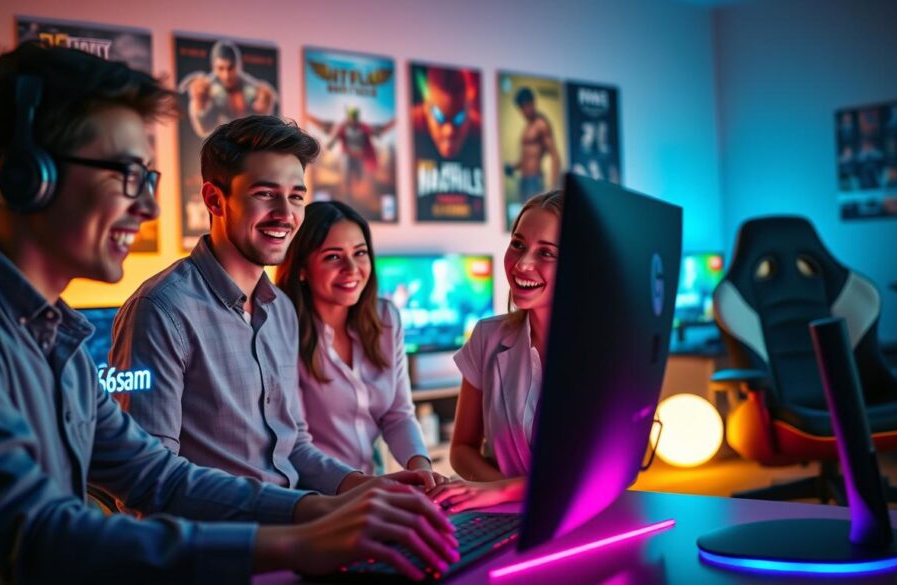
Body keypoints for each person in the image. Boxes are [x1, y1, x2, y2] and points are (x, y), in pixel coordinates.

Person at [0, 43, 456, 584]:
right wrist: (303, 540)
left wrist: (337, 503)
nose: (146, 206)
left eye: (148, 178)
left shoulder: (52, 329)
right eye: (126, 174)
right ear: (26, 175)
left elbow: (153, 475)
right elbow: (37, 538)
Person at [112, 115, 430, 496]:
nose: (286, 213)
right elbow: (149, 481)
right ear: (215, 199)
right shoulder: (161, 310)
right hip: (226, 547)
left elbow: (293, 445)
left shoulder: (279, 309)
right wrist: (304, 512)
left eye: (296, 196)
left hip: (298, 529)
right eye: (265, 194)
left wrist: (367, 487)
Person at [275, 201, 439, 480]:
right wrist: (364, 488)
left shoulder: (386, 318)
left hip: (370, 483)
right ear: (302, 269)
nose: (352, 269)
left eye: (360, 253)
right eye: (333, 257)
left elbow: (397, 414)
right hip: (313, 497)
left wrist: (423, 472)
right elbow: (295, 445)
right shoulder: (281, 330)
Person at [428, 191, 564, 513]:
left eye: (546, 253)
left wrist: (503, 491)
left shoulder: (603, 353)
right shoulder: (487, 336)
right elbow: (461, 449)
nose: (523, 263)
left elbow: (600, 472)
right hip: (505, 518)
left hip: (577, 521)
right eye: (518, 244)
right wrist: (497, 492)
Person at [180, 40, 278, 139]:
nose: (226, 75)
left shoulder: (250, 89)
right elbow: (204, 128)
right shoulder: (208, 88)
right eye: (221, 68)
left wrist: (265, 109)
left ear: (238, 65)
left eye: (230, 68)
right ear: (214, 67)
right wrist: (198, 104)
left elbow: (262, 126)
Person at [504, 88, 561, 202]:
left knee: (534, 217)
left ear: (532, 103)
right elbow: (526, 157)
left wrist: (553, 188)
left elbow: (555, 156)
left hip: (534, 181)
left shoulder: (541, 124)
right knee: (524, 216)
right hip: (524, 180)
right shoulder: (527, 127)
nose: (524, 111)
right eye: (521, 108)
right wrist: (513, 167)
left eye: (526, 106)